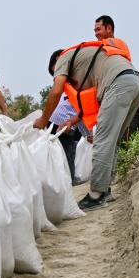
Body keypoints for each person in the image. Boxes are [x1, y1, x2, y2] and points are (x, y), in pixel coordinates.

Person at [34, 36, 139, 210]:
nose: (63, 80)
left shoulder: (63, 58)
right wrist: (71, 120)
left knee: (102, 140)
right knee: (112, 140)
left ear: (56, 62)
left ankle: (96, 195)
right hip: (136, 83)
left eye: (56, 73)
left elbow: (55, 92)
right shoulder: (89, 64)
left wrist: (43, 119)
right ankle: (105, 189)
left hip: (120, 84)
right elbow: (87, 107)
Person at [46, 49, 91, 184]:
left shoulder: (77, 84)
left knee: (65, 152)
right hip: (59, 124)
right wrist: (87, 134)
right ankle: (69, 180)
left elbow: (82, 111)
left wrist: (86, 133)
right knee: (66, 152)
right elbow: (82, 111)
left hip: (61, 123)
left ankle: (66, 179)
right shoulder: (67, 85)